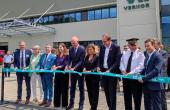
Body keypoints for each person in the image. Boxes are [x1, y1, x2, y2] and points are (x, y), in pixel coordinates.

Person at [120, 38, 145, 110]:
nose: (132, 47)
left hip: (135, 79)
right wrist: (123, 70)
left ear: (136, 45)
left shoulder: (140, 54)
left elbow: (141, 66)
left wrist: (130, 73)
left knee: (137, 99)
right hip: (126, 78)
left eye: (134, 45)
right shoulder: (125, 53)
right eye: (130, 45)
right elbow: (121, 62)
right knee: (127, 98)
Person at [138, 39, 164, 110]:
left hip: (155, 85)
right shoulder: (147, 56)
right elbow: (146, 68)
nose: (146, 48)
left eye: (148, 46)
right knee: (147, 105)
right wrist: (140, 73)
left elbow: (156, 70)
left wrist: (143, 78)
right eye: (145, 46)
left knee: (156, 106)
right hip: (146, 85)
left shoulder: (158, 55)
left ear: (153, 45)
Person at [98, 33, 121, 110]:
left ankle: (113, 108)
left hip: (112, 72)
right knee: (106, 91)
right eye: (102, 41)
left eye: (104, 41)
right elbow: (100, 58)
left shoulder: (116, 47)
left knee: (112, 92)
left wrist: (110, 70)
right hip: (104, 72)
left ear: (109, 40)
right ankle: (109, 107)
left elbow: (117, 61)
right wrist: (98, 66)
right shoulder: (102, 47)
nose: (103, 43)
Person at [66, 36, 85, 110]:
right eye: (72, 43)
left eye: (74, 43)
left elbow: (81, 61)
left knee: (81, 89)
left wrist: (75, 67)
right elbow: (69, 58)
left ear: (77, 41)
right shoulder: (70, 49)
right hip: (73, 71)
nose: (73, 44)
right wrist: (68, 65)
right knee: (72, 88)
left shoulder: (82, 49)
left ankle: (81, 105)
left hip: (79, 71)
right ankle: (71, 104)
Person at [52, 43, 69, 109]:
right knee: (57, 89)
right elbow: (55, 63)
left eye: (61, 47)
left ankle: (64, 105)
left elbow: (65, 64)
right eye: (59, 47)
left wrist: (57, 67)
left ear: (64, 48)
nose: (60, 48)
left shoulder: (67, 56)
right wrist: (54, 66)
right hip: (57, 74)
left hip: (64, 75)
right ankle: (57, 104)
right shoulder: (57, 55)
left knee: (64, 90)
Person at [83, 44, 100, 110]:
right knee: (89, 93)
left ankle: (94, 107)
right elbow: (84, 64)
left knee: (95, 93)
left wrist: (90, 71)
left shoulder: (97, 57)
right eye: (88, 49)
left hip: (95, 78)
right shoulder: (87, 56)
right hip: (88, 78)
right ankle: (91, 106)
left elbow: (97, 67)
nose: (89, 51)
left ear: (94, 49)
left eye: (91, 49)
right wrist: (84, 68)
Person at [154, 40, 168, 110]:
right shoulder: (150, 53)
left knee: (162, 96)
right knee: (155, 97)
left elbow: (163, 63)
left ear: (159, 45)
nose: (153, 45)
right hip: (152, 78)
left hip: (161, 77)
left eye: (155, 44)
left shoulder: (164, 53)